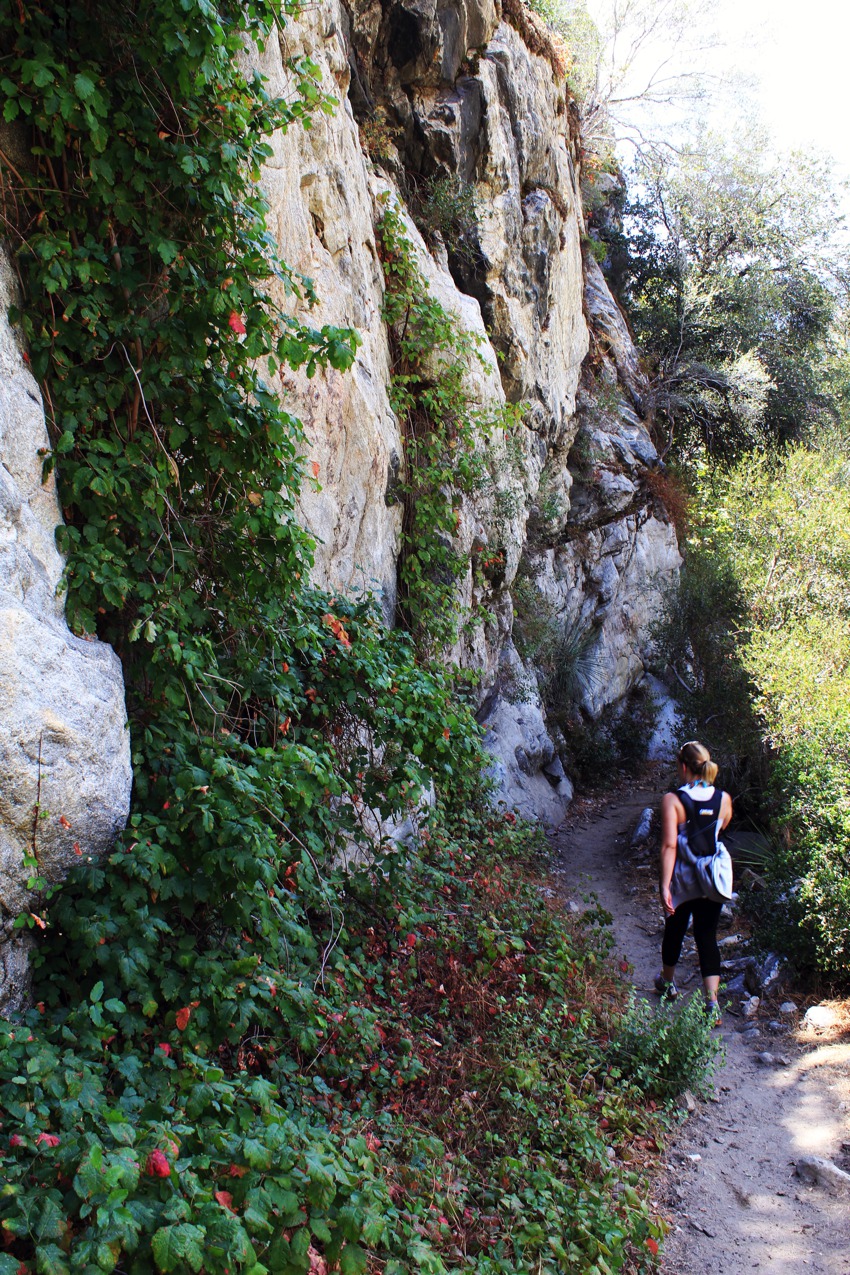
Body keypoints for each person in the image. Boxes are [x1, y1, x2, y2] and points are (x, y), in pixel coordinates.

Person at [656, 740, 733, 1023]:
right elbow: (720, 829)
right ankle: (712, 1003)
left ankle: (667, 982)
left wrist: (665, 885)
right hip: (710, 879)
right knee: (706, 934)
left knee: (675, 929)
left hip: (683, 879)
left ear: (684, 766)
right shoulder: (724, 799)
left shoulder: (673, 800)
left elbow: (669, 846)